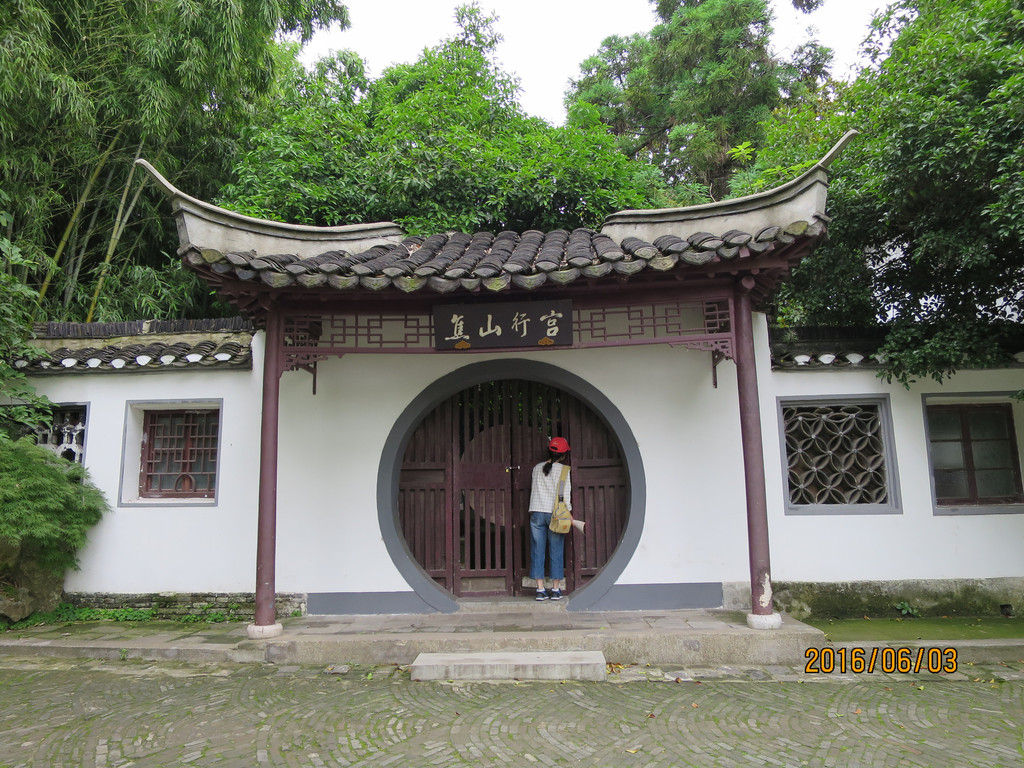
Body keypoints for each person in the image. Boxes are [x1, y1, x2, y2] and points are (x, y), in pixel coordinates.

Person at [528, 436, 572, 601]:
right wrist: (569, 514)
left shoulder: (536, 468)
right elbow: (563, 496)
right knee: (556, 549)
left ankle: (540, 590)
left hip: (536, 511)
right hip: (555, 514)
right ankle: (555, 589)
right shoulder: (564, 470)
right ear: (564, 455)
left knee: (537, 549)